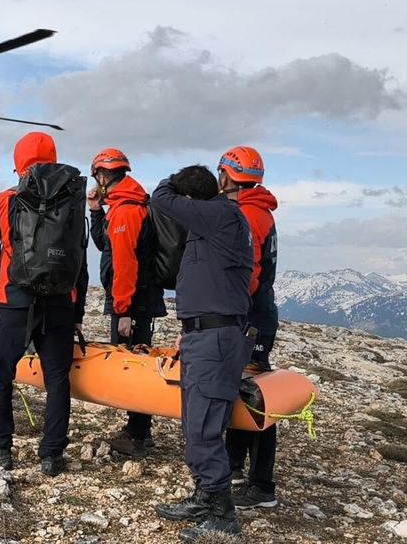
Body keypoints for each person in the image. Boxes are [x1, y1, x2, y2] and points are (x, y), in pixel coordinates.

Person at [0, 131, 88, 477]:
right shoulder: (73, 202)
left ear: (18, 162)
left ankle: (0, 448)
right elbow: (80, 262)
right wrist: (77, 313)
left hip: (15, 303)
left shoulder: (4, 200)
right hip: (61, 304)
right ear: (53, 157)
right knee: (58, 379)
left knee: (0, 373)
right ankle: (51, 456)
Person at [149, 165, 254, 541]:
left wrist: (169, 181)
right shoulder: (214, 221)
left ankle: (224, 517)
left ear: (192, 200)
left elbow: (160, 198)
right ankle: (204, 495)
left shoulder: (220, 214)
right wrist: (189, 330)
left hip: (216, 339)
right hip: (202, 335)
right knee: (196, 422)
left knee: (204, 426)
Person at [86, 148, 167, 457]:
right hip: (136, 300)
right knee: (135, 359)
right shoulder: (121, 207)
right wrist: (95, 211)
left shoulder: (127, 211)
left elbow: (124, 265)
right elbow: (105, 245)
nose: (96, 182)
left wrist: (122, 310)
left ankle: (138, 435)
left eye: (97, 176)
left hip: (133, 302)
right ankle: (136, 429)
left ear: (104, 176)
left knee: (133, 364)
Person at [217, 146, 280, 510]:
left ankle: (262, 485)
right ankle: (234, 466)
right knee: (240, 388)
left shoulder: (249, 217)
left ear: (227, 175)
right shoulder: (257, 211)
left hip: (250, 319)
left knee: (255, 395)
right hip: (256, 316)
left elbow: (248, 276)